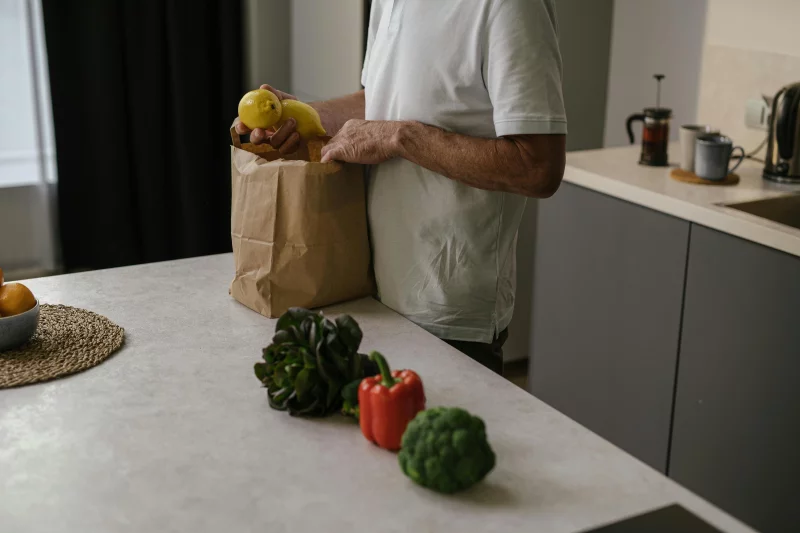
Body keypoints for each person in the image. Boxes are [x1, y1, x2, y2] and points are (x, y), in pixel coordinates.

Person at [235, 0, 567, 375]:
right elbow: (380, 101)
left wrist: (400, 137)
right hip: (364, 292)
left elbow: (538, 167)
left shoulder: (510, 7)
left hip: (448, 314)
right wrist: (302, 117)